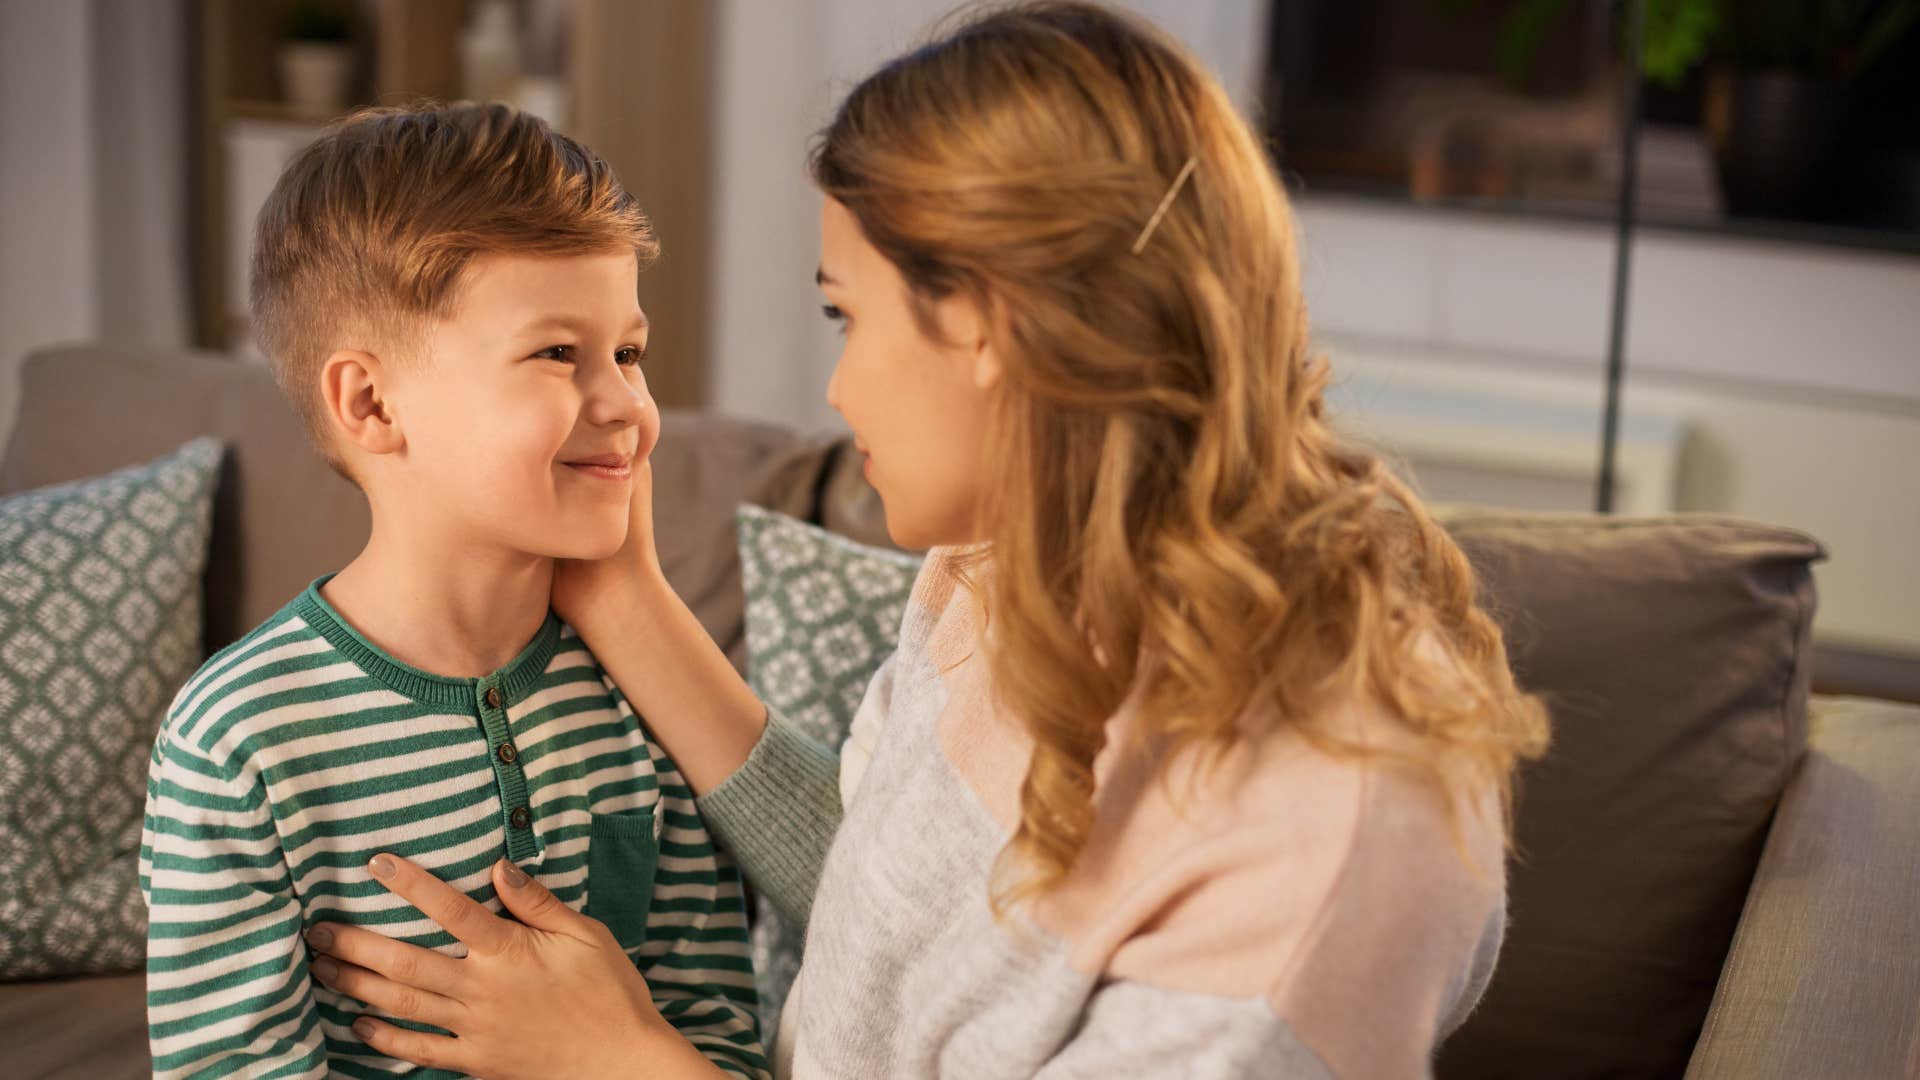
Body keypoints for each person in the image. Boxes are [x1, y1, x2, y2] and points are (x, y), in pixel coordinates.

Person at [304, 4, 1551, 1076]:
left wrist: (619, 1057)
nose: (837, 396)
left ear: (990, 325)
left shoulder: (1328, 834)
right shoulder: (1007, 577)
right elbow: (884, 909)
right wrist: (622, 595)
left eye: (849, 317)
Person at [138, 103, 767, 1079]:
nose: (628, 408)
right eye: (559, 353)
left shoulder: (644, 700)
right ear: (373, 404)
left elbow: (717, 1030)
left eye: (629, 353)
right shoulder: (241, 738)